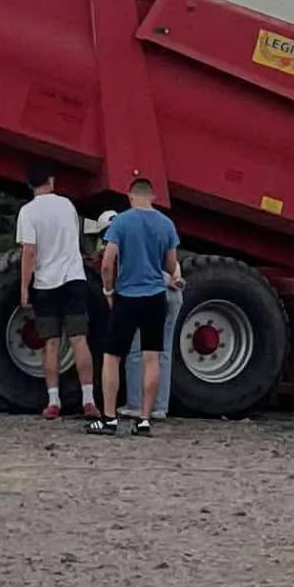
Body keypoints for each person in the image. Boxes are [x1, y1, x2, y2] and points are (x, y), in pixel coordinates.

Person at [94, 174, 182, 437]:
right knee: (152, 357)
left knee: (112, 357)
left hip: (127, 297)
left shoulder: (121, 222)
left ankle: (109, 419)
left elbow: (108, 263)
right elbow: (170, 264)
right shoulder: (167, 224)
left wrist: (109, 290)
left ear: (130, 197)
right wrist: (174, 276)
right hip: (155, 297)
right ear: (153, 196)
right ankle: (145, 420)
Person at [16, 165, 98, 424]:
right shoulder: (67, 206)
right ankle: (88, 399)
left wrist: (24, 287)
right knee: (79, 340)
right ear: (51, 181)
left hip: (45, 282)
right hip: (73, 278)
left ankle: (53, 401)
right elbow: (74, 239)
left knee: (51, 343)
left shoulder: (27, 212)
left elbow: (29, 251)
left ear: (30, 185)